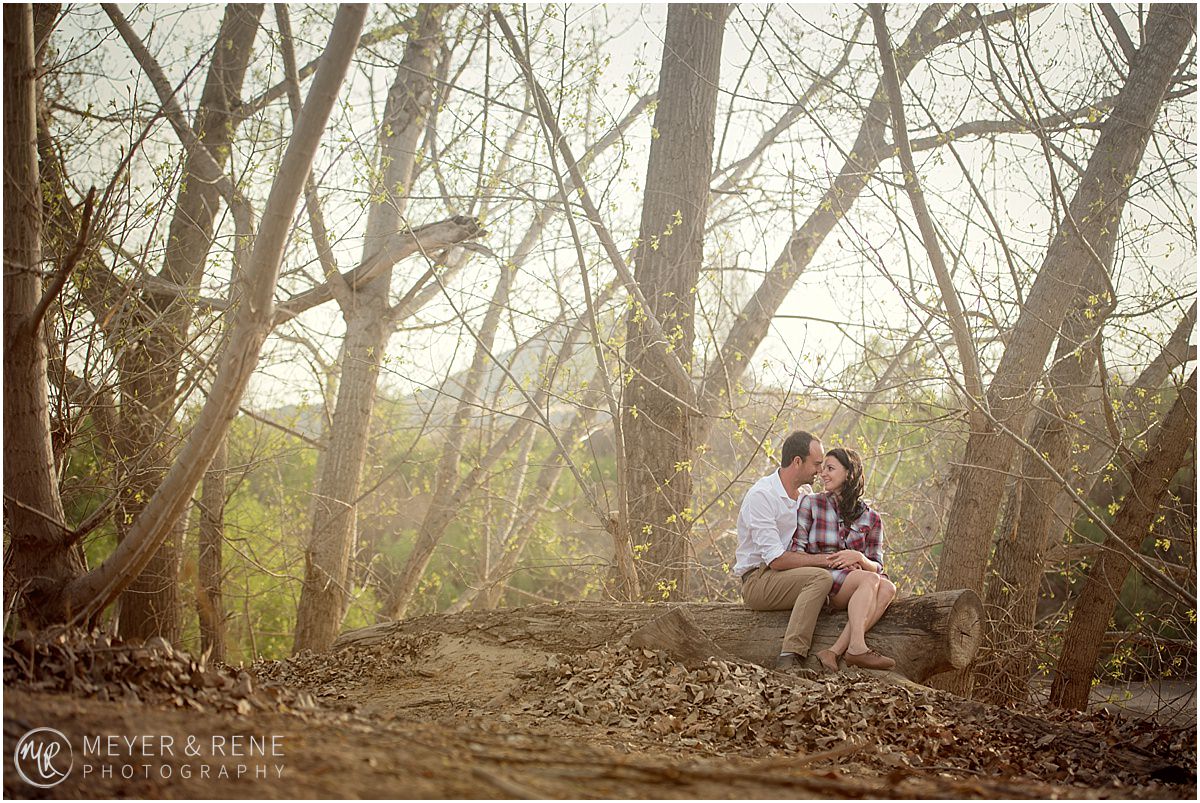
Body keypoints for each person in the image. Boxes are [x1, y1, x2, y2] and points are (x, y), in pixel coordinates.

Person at [734, 431, 835, 672]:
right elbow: (776, 560)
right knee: (821, 577)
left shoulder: (805, 495)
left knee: (836, 582)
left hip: (786, 576)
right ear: (797, 462)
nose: (820, 471)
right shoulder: (763, 495)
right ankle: (790, 657)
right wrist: (827, 561)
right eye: (817, 464)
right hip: (758, 580)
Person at [794, 447, 897, 672]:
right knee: (869, 580)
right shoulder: (811, 503)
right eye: (823, 469)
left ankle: (833, 651)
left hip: (857, 582)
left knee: (888, 588)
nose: (823, 474)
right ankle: (857, 648)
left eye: (830, 468)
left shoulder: (872, 517)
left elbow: (877, 565)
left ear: (850, 473)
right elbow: (798, 550)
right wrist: (831, 560)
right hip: (823, 579)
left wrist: (858, 557)